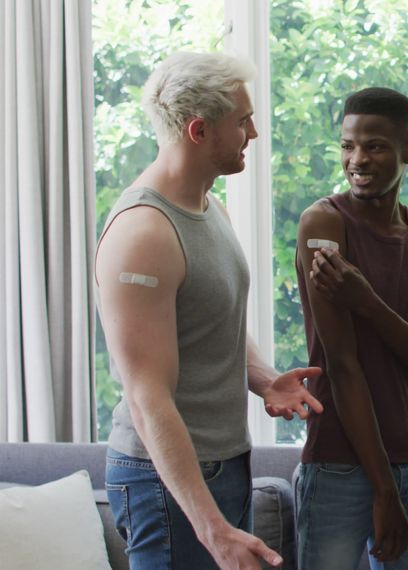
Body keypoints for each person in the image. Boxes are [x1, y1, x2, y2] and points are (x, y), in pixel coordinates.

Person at [96, 51, 323, 570]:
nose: (255, 134)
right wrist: (212, 530)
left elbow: (212, 317)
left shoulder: (208, 203)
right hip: (165, 481)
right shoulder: (144, 233)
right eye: (242, 122)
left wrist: (264, 379)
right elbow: (146, 397)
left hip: (223, 465)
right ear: (199, 130)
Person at [294, 87, 408, 569]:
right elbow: (342, 366)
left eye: (375, 146)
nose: (357, 159)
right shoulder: (323, 223)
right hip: (340, 464)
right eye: (347, 146)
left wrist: (368, 303)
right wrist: (383, 491)